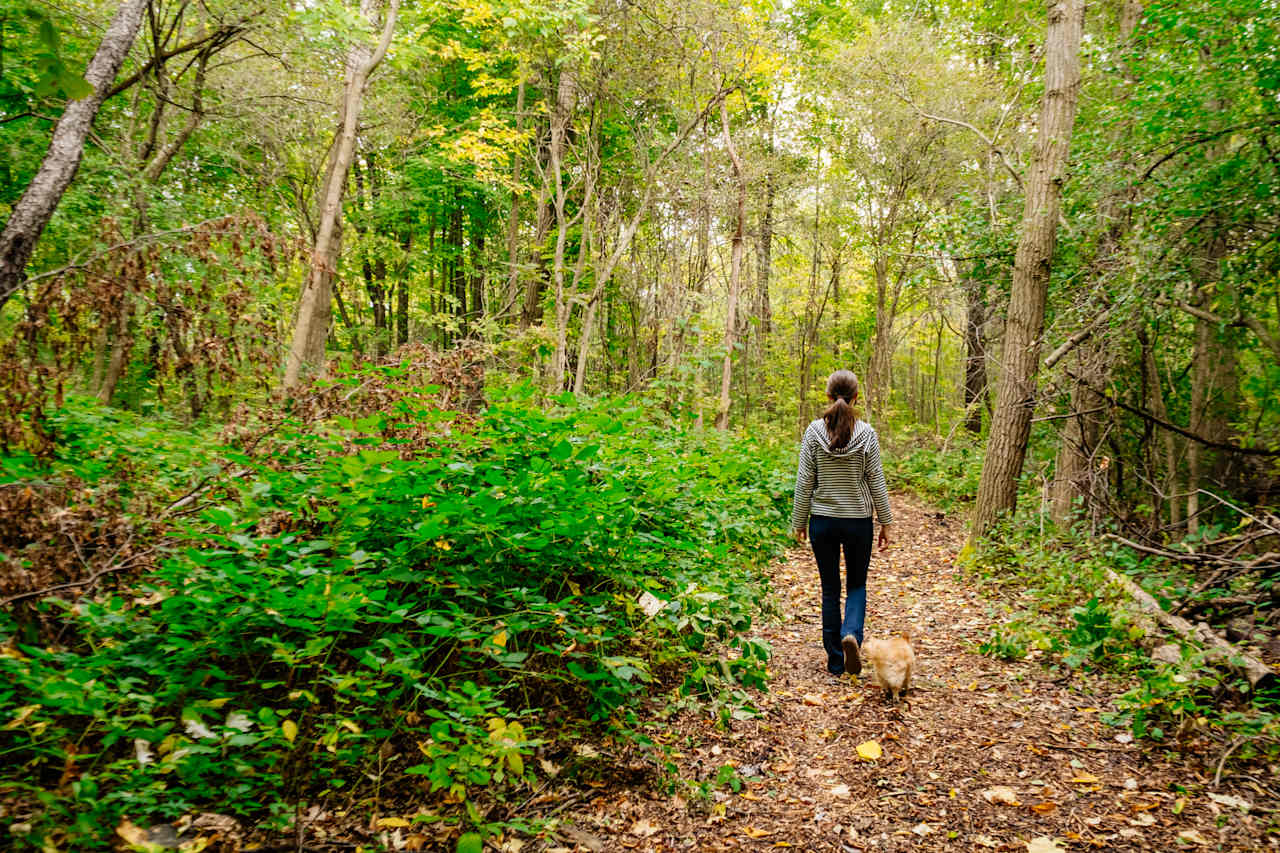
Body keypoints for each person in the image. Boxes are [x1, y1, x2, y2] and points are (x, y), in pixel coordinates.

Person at [790, 369, 893, 676]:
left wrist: (798, 522)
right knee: (857, 584)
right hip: (858, 522)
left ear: (827, 395)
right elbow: (876, 480)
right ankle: (852, 634)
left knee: (830, 589)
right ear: (857, 397)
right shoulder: (867, 435)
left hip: (822, 521)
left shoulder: (812, 432)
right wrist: (886, 522)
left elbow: (805, 481)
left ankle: (836, 660)